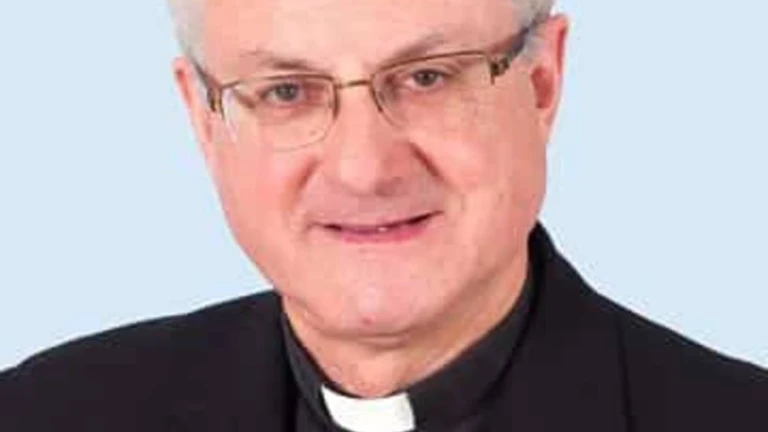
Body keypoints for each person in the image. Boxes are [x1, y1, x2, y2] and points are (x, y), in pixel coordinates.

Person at [1, 0, 766, 430]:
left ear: (542, 83)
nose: (364, 168)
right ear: (205, 121)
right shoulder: (43, 414)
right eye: (287, 92)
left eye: (428, 77)